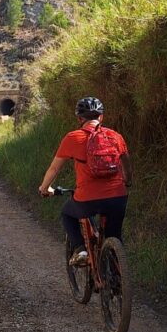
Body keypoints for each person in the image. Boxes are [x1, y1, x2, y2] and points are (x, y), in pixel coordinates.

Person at [38, 97, 132, 266]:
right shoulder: (115, 136)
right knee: (114, 235)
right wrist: (127, 181)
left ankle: (80, 249)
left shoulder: (73, 138)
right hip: (118, 197)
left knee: (67, 213)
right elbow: (127, 166)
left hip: (87, 199)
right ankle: (117, 272)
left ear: (80, 119)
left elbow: (54, 169)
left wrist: (45, 188)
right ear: (101, 117)